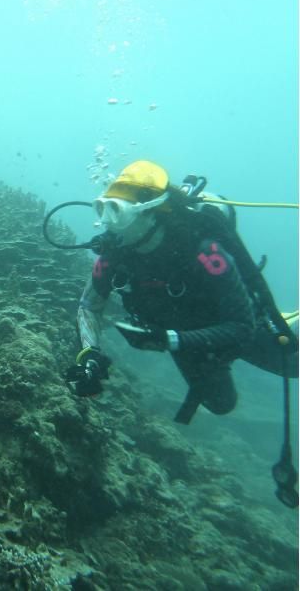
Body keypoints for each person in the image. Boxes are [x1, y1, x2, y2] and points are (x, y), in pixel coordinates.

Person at [65, 160, 298, 424]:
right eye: (103, 209)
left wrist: (171, 340)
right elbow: (89, 306)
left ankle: (290, 320)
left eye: (117, 211)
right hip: (182, 334)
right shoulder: (114, 255)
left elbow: (241, 326)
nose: (108, 223)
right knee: (220, 403)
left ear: (150, 212)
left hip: (230, 325)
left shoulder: (202, 250)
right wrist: (90, 355)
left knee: (294, 366)